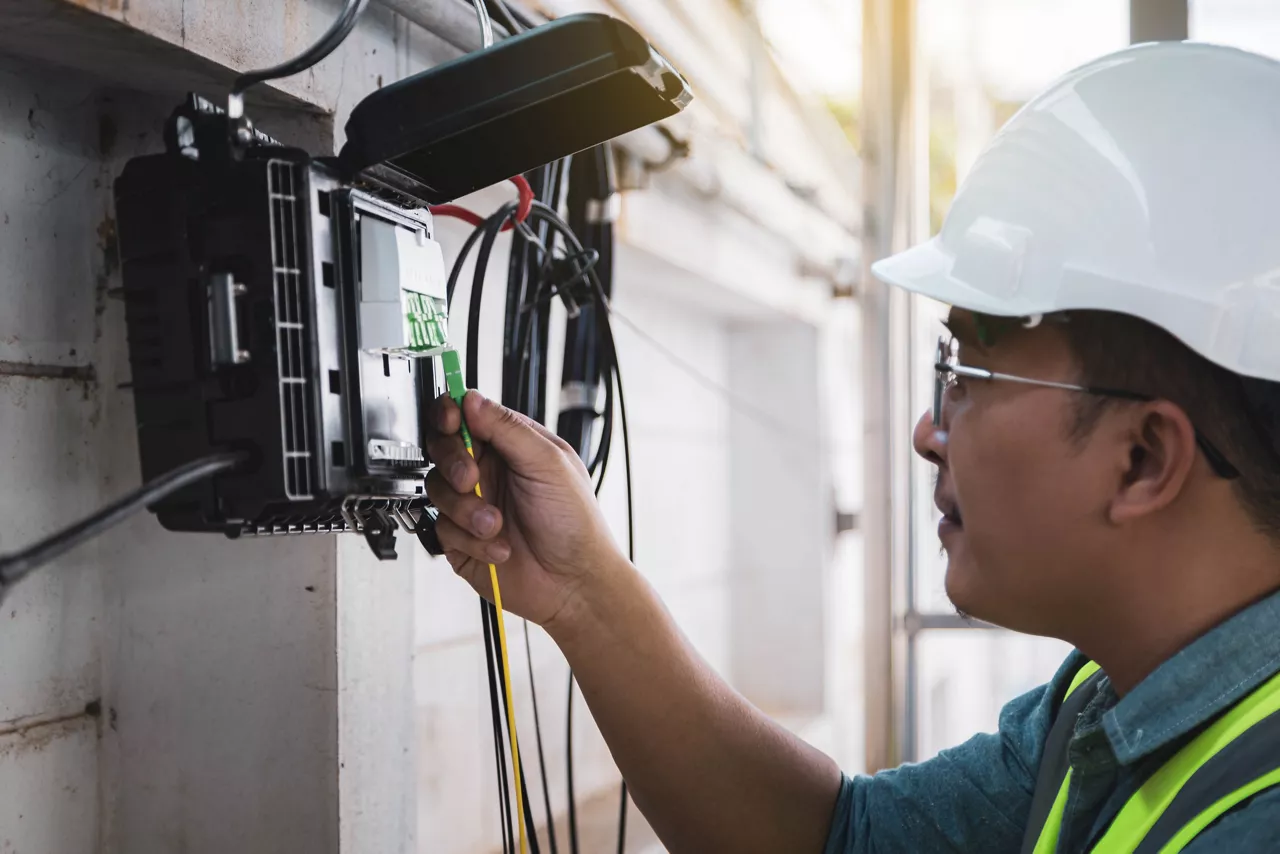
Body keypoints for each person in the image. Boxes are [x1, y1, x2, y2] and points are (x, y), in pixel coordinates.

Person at [425, 41, 1280, 853]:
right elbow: (831, 839)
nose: (926, 431)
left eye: (968, 374)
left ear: (1144, 460)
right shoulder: (1104, 707)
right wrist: (584, 591)